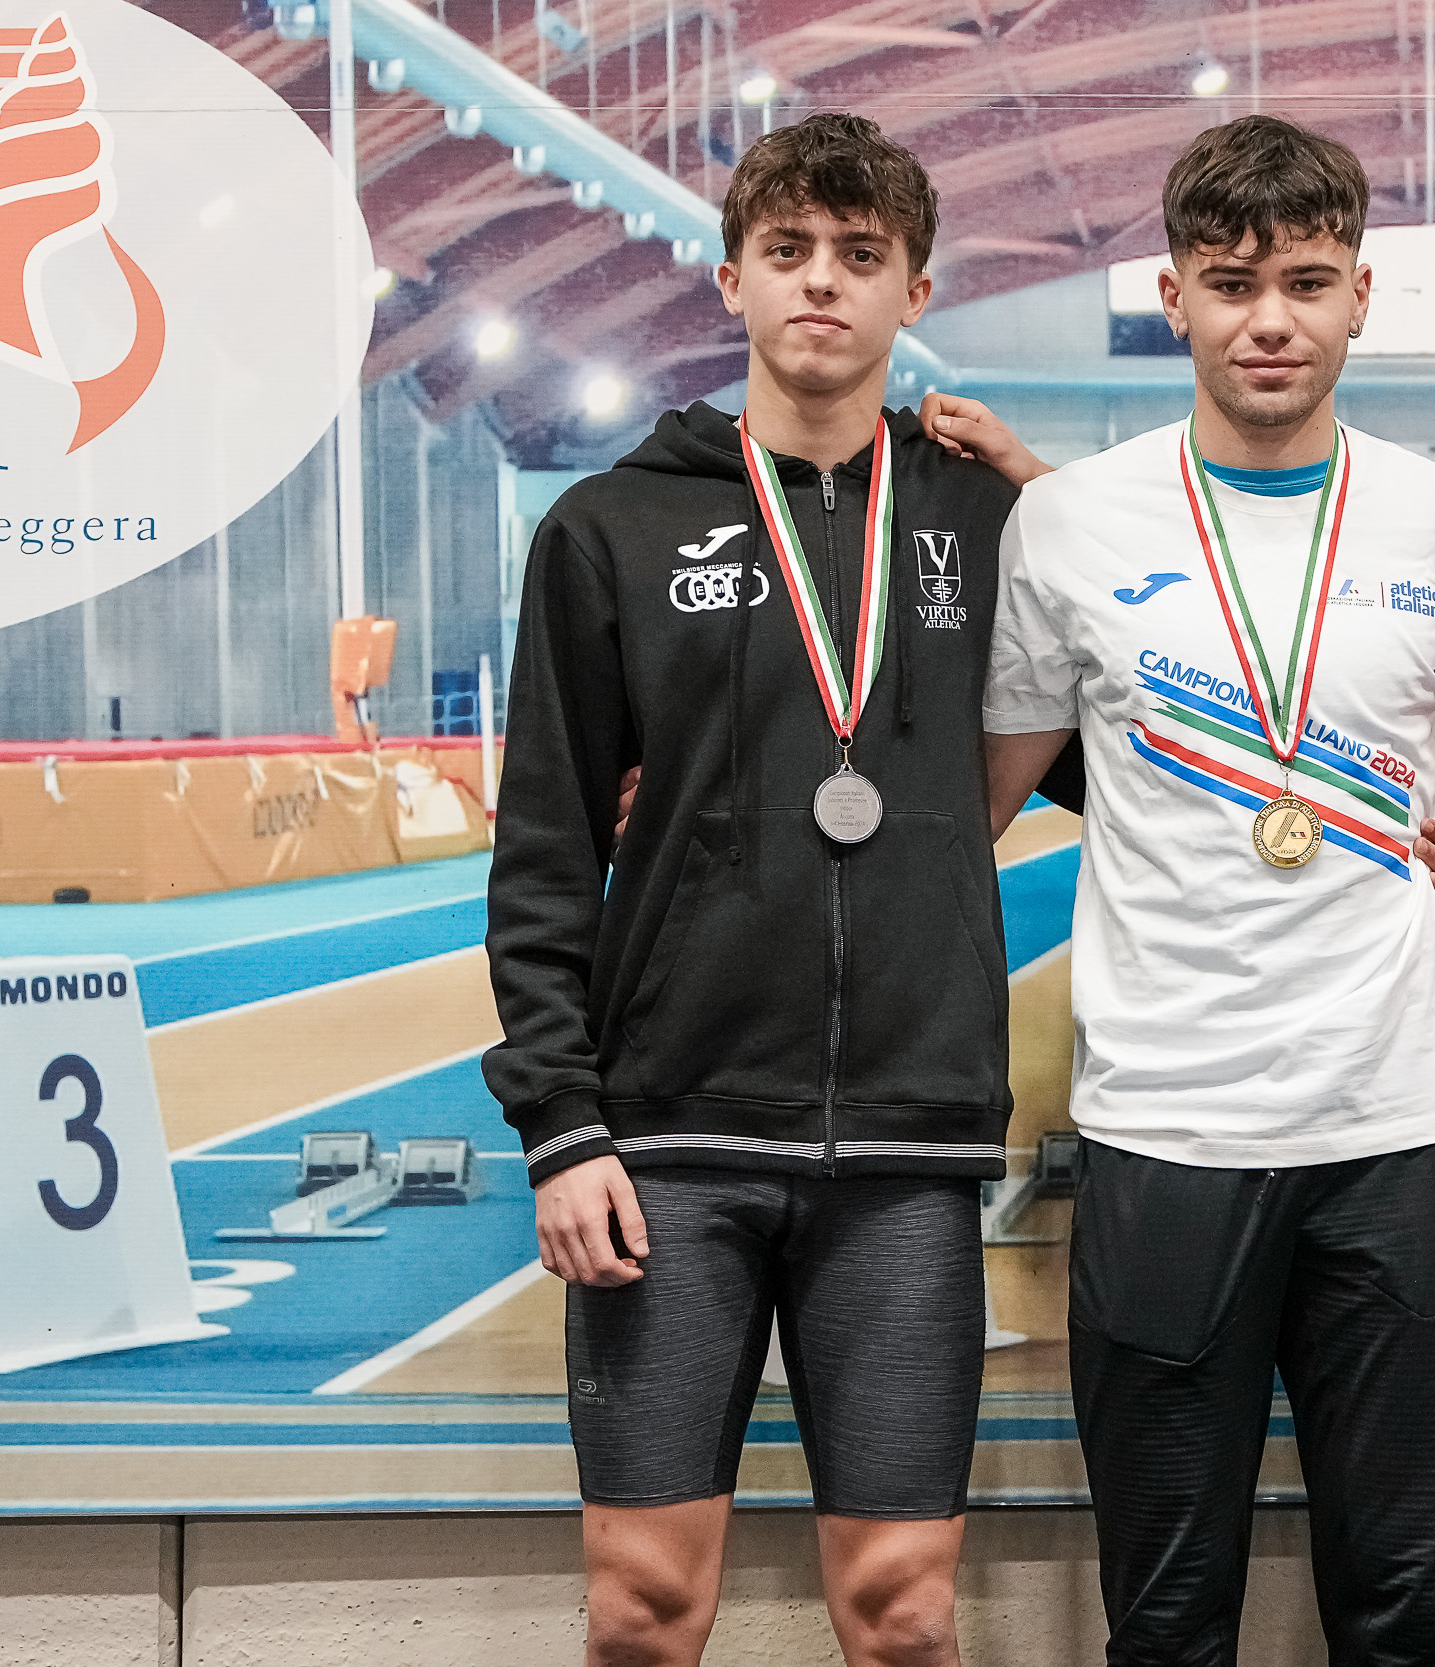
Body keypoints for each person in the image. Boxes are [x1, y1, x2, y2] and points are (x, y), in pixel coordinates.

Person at [483, 112, 1048, 1667]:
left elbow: (1135, 731)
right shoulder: (608, 529)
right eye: (788, 251)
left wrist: (1370, 813)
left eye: (861, 255)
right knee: (643, 1616)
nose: (821, 283)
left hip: (907, 1150)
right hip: (670, 1146)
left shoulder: (986, 521)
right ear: (730, 279)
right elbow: (545, 849)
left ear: (914, 290)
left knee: (906, 1617)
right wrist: (561, 1126)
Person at [979, 114, 1435, 1666]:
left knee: (1403, 1618)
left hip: (1400, 1128)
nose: (1269, 320)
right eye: (1231, 285)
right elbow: (973, 798)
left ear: (1361, 295)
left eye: (1304, 282)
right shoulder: (1067, 522)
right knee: (1166, 1625)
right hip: (1168, 1128)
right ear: (1175, 299)